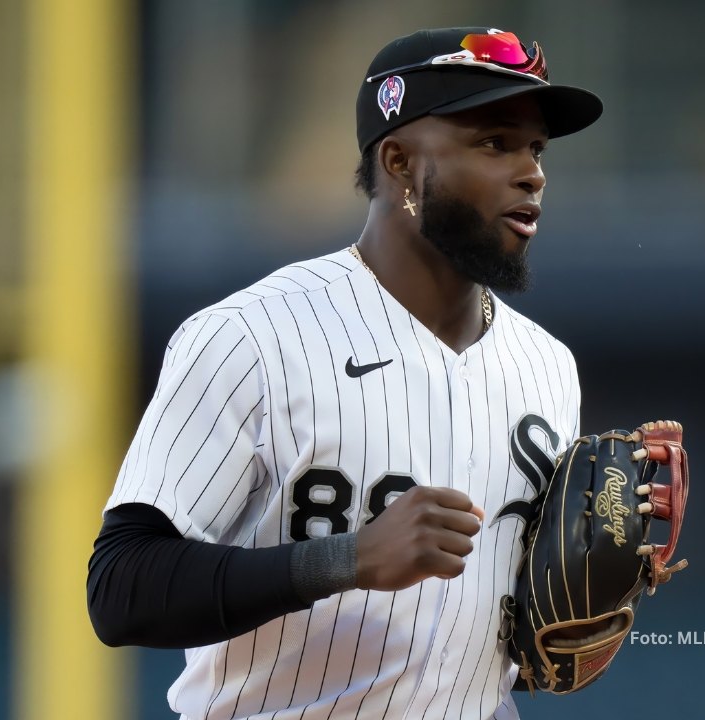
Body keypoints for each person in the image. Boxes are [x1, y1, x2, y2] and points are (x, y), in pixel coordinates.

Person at [87, 26, 603, 719]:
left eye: (535, 148)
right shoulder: (252, 337)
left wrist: (581, 599)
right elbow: (121, 591)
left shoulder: (547, 366)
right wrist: (346, 558)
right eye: (494, 142)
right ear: (398, 162)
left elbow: (492, 654)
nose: (532, 172)